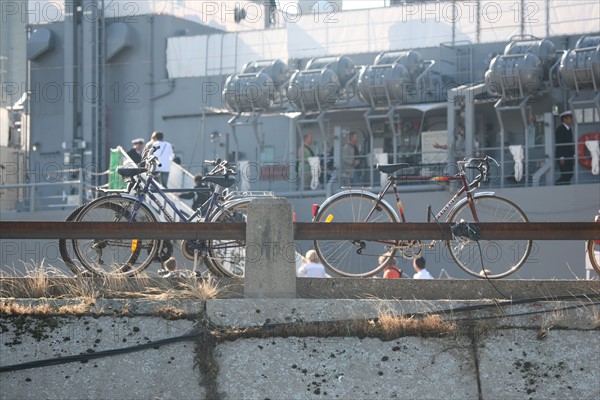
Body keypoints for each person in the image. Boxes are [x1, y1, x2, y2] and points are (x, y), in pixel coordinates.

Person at [555, 110, 575, 185]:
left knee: (570, 173)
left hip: (569, 155)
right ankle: (559, 185)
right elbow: (559, 143)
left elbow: (571, 143)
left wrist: (573, 155)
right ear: (564, 119)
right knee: (565, 174)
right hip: (563, 156)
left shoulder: (569, 129)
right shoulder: (560, 129)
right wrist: (561, 157)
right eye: (570, 118)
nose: (571, 120)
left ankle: (563, 185)